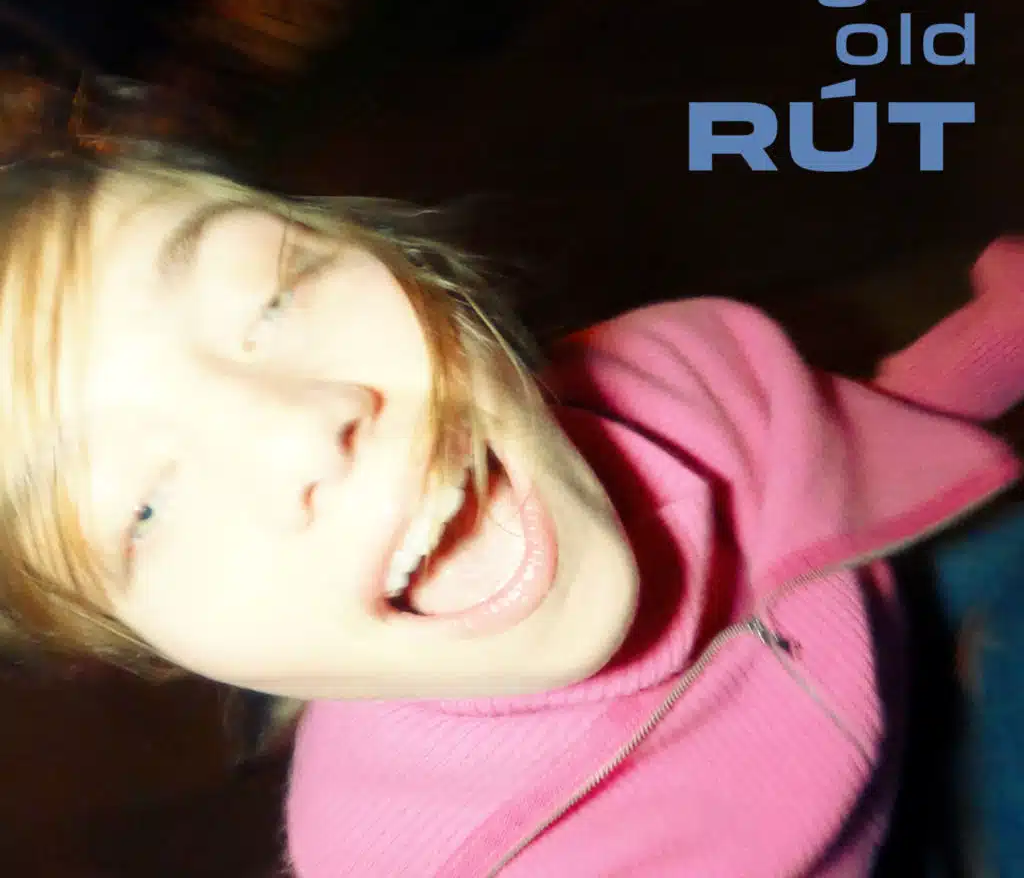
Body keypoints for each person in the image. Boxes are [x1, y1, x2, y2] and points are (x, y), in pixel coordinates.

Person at [0, 149, 1020, 877]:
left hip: (924, 662)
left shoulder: (663, 369)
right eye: (142, 507)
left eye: (272, 295)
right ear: (151, 653)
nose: (301, 431)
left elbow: (845, 430)